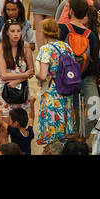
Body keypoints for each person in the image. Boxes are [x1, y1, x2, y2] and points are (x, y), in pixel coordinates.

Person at [34, 19, 77, 153]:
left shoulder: (45, 49)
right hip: (67, 90)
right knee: (63, 125)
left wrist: (35, 74)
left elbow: (43, 75)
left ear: (44, 32)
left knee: (52, 124)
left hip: (53, 92)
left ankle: (52, 150)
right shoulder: (66, 47)